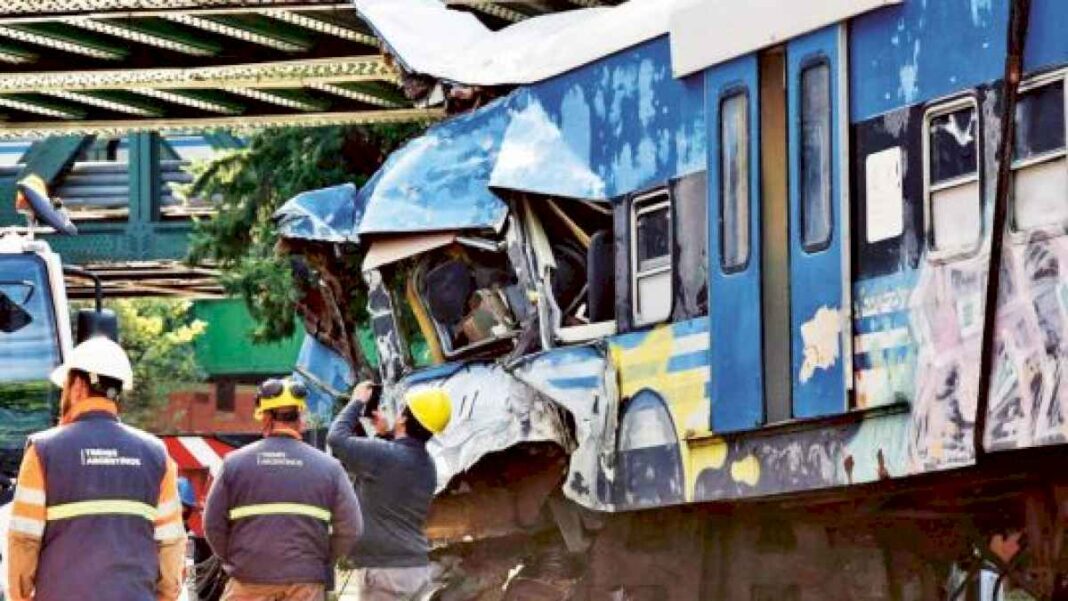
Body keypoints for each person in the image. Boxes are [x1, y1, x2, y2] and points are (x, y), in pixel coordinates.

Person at [5, 335, 186, 601]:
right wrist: (165, 596)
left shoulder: (43, 451)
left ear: (78, 386)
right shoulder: (156, 455)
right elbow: (170, 543)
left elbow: (23, 540)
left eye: (65, 387)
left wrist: (20, 597)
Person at [203, 377, 363, 601]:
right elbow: (351, 528)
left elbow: (212, 525)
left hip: (248, 578)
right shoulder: (330, 467)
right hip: (305, 582)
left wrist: (237, 561)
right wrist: (319, 561)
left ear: (265, 417)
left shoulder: (233, 463)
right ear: (301, 417)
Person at [327, 383, 452, 601]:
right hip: (414, 567)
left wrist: (357, 401)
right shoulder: (427, 465)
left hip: (385, 571)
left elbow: (336, 439)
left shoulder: (387, 456)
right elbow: (392, 476)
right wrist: (385, 435)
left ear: (403, 418)